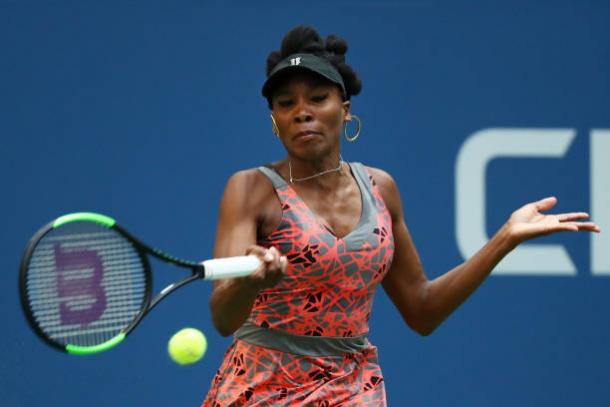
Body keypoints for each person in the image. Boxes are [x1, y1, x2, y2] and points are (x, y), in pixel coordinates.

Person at [201, 25, 600, 406]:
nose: (301, 112)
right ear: (275, 120)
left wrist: (504, 239)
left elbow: (422, 310)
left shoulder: (380, 188)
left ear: (344, 108)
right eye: (286, 104)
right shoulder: (250, 188)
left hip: (352, 389)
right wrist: (249, 283)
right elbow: (224, 316)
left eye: (317, 98)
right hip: (260, 389)